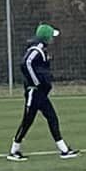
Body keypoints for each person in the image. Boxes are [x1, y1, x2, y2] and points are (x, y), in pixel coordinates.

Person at [11, 24, 79, 162]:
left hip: (40, 93)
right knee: (27, 121)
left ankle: (64, 149)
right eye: (51, 37)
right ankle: (13, 151)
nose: (53, 39)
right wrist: (36, 82)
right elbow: (26, 63)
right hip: (35, 92)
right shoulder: (37, 49)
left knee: (51, 117)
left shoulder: (42, 50)